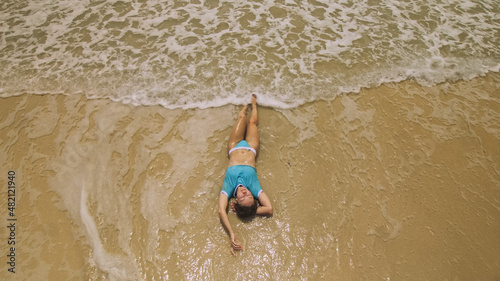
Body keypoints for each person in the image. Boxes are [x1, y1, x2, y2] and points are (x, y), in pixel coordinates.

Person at [218, 94, 273, 255]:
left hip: (234, 146)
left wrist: (232, 234)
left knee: (242, 115)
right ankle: (254, 104)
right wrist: (250, 210)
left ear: (235, 202)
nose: (245, 193)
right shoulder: (254, 187)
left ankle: (244, 104)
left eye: (243, 197)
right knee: (252, 122)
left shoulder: (228, 188)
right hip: (251, 146)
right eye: (250, 196)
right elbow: (269, 209)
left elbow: (221, 210)